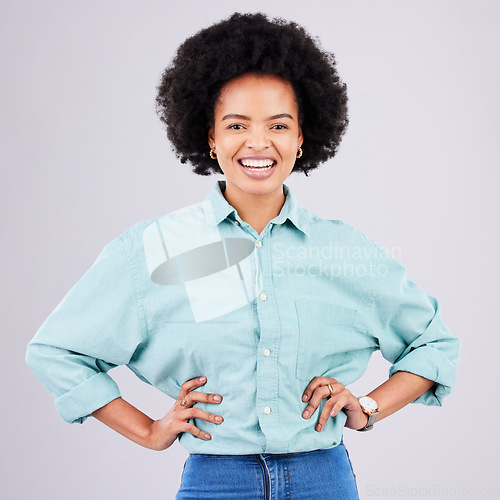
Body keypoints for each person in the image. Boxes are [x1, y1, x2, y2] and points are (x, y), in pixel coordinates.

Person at [25, 12, 461, 500]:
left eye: (279, 124)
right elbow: (57, 351)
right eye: (236, 125)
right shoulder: (154, 248)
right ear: (210, 137)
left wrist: (367, 405)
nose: (258, 142)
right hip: (216, 482)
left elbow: (433, 344)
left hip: (325, 481)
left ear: (302, 137)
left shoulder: (344, 251)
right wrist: (148, 430)